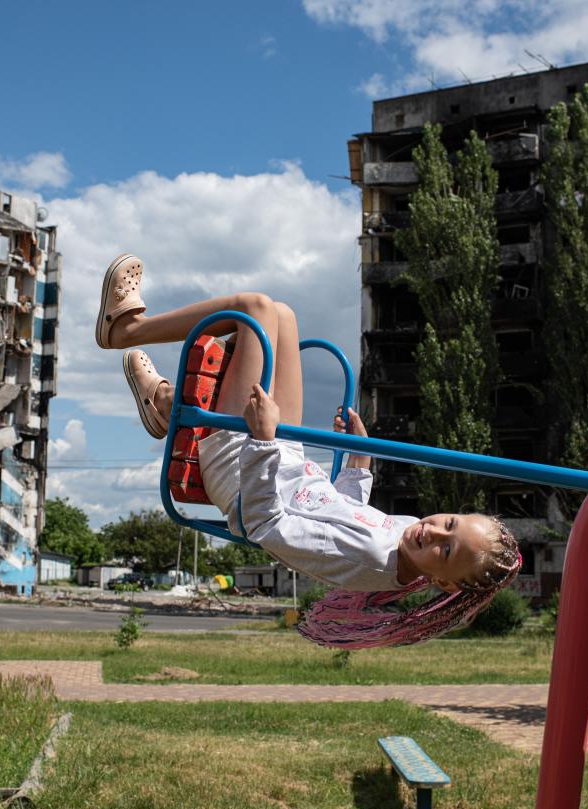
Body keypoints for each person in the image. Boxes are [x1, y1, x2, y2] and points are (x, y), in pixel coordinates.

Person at [96, 253, 522, 647]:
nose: (434, 532)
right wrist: (360, 463)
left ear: (445, 584)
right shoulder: (405, 544)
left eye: (445, 550)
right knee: (283, 316)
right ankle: (164, 405)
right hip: (283, 459)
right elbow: (341, 511)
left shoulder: (374, 561)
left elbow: (266, 525)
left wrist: (262, 439)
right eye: (449, 523)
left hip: (242, 469)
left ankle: (125, 330)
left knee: (254, 309)